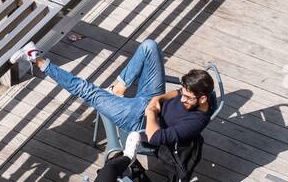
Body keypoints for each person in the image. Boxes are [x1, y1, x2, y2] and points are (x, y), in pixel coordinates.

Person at [16, 39, 213, 158]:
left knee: (86, 90)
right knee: (149, 47)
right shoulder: (194, 94)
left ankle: (36, 59)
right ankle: (118, 88)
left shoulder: (195, 122)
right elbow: (177, 93)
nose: (182, 99)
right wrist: (158, 99)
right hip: (151, 100)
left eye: (188, 98)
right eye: (184, 93)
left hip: (138, 120)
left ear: (202, 99)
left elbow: (156, 138)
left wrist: (152, 111)